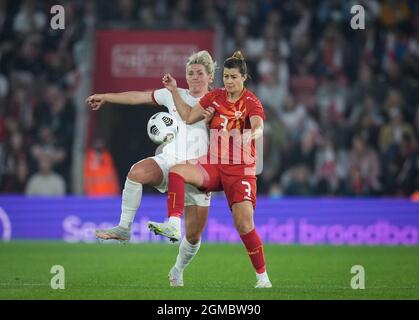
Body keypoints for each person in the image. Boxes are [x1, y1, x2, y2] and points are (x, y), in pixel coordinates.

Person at [86, 51, 217, 287]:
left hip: (199, 172)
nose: (195, 77)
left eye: (200, 73)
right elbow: (138, 97)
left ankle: (177, 270)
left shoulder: (216, 102)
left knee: (194, 236)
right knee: (136, 172)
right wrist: (106, 97)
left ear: (210, 77)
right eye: (190, 73)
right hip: (169, 163)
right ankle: (124, 228)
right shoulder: (172, 95)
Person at [149, 51, 272, 288]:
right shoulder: (215, 97)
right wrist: (174, 91)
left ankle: (262, 277)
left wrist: (248, 136)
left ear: (244, 77)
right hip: (214, 164)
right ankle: (174, 223)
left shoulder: (251, 102)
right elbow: (186, 116)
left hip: (240, 169)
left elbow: (258, 126)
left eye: (234, 77)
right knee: (177, 170)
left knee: (244, 224)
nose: (229, 81)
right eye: (226, 76)